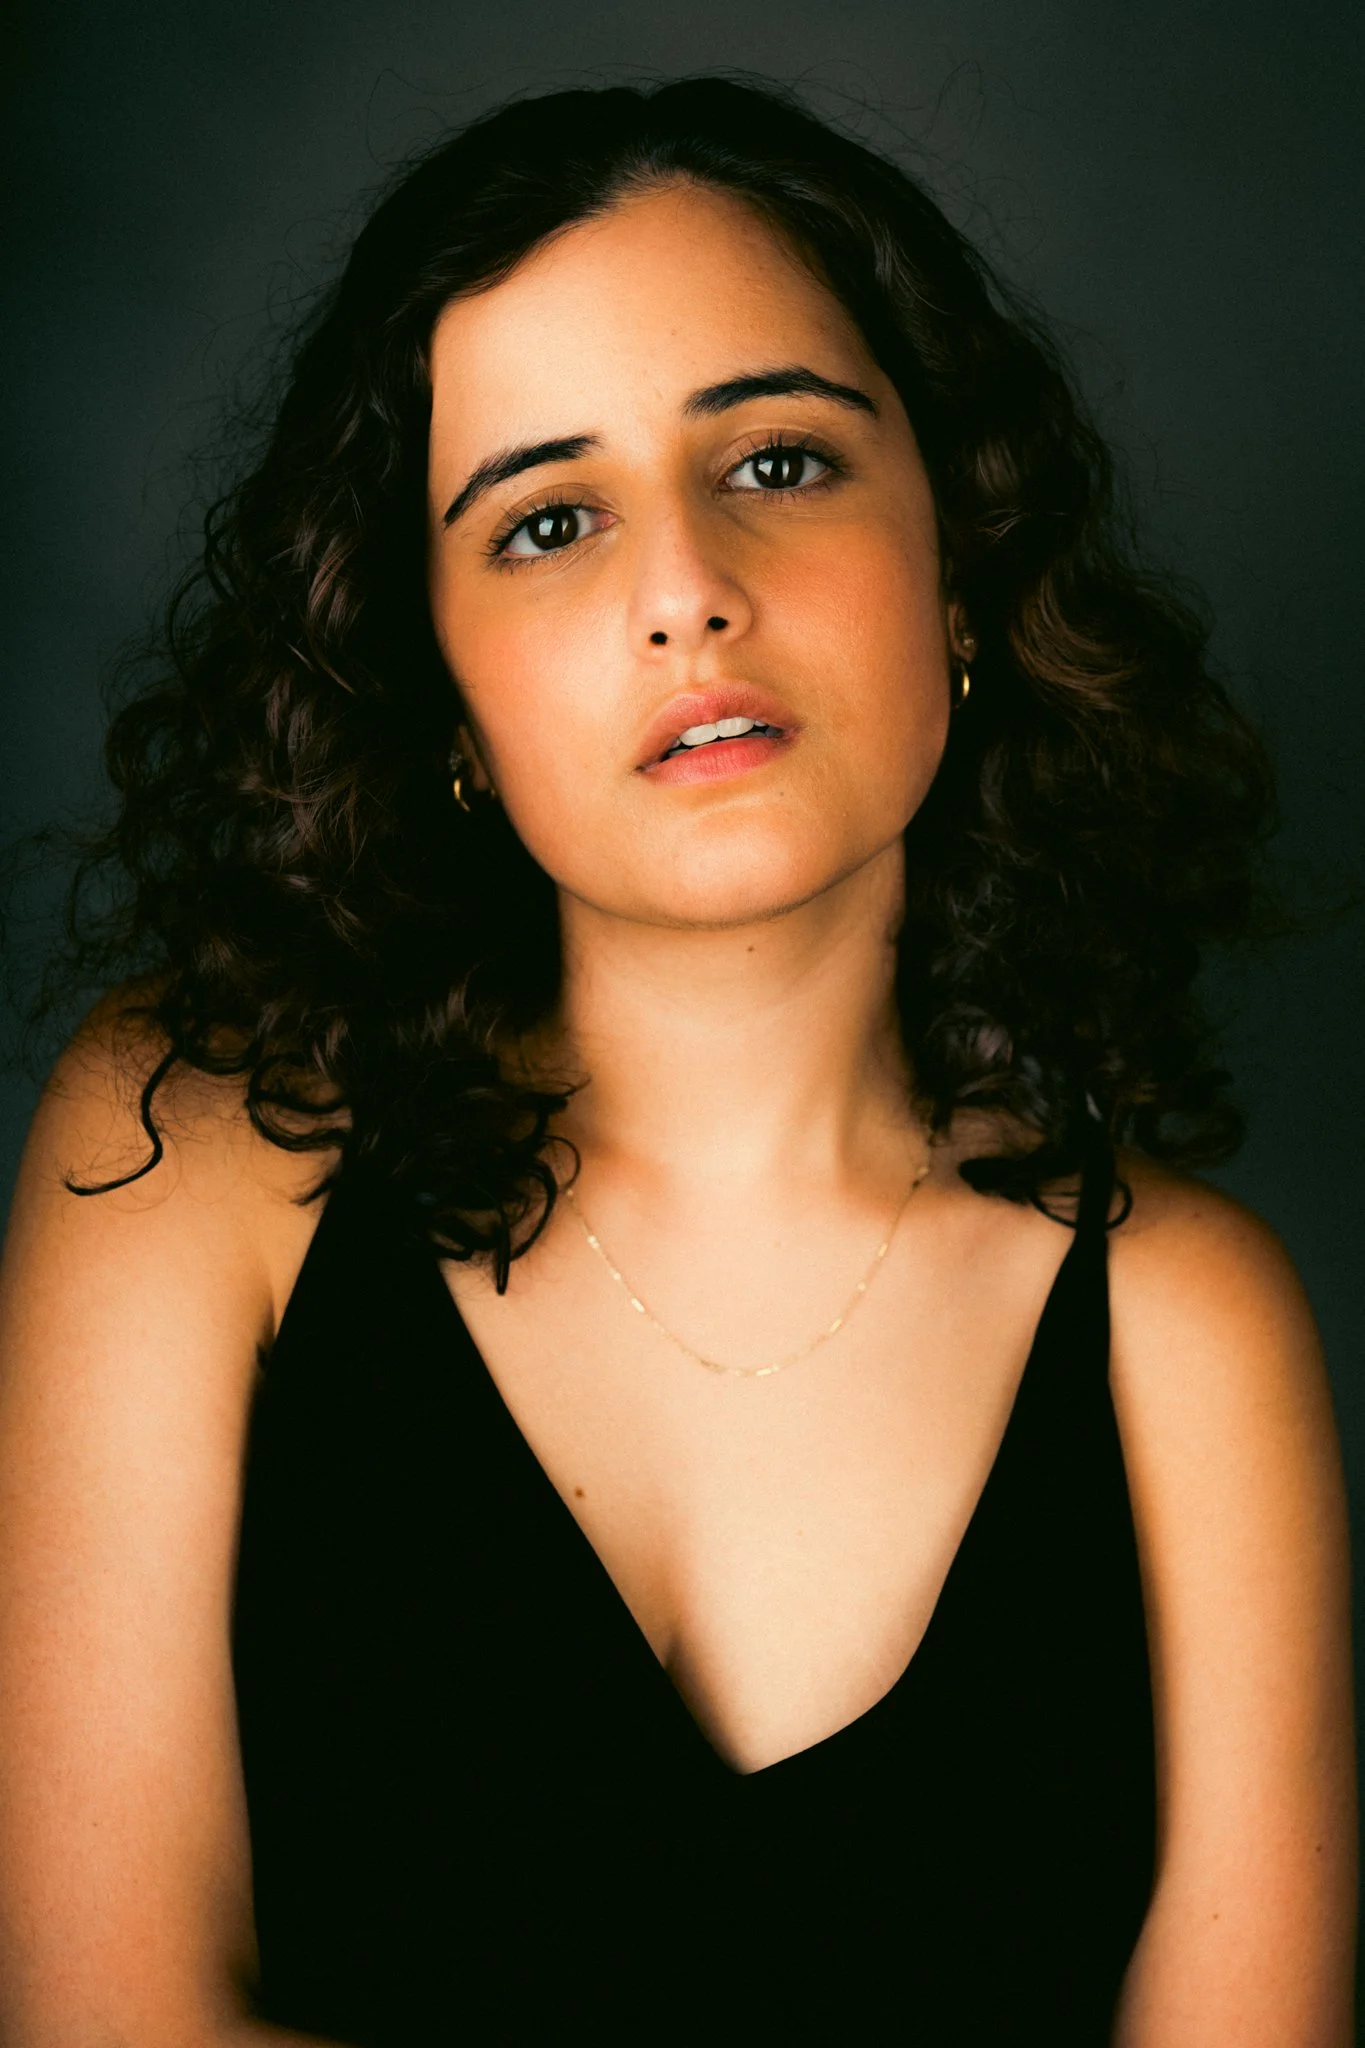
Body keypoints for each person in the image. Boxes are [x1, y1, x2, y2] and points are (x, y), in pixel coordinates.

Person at [0, 75, 1355, 2048]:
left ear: (960, 575)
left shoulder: (1187, 1330)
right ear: (439, 695)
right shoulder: (187, 1148)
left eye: (781, 463)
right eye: (547, 520)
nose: (684, 589)